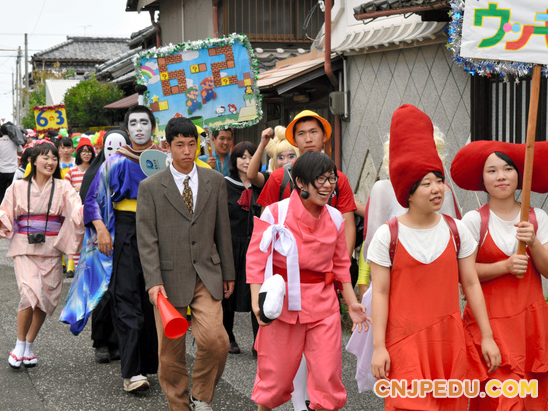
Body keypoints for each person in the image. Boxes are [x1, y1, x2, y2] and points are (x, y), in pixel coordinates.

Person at [368, 104, 500, 410]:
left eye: (438, 180)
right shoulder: (387, 236)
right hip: (404, 344)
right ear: (408, 193)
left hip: (448, 344)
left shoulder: (457, 231)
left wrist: (488, 337)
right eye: (425, 184)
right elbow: (381, 293)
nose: (436, 189)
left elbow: (471, 284)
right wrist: (378, 347)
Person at [246, 151, 370, 411]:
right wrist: (258, 304)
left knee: (328, 381)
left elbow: (340, 266)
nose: (327, 185)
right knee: (274, 382)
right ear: (301, 183)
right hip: (281, 306)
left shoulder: (336, 218)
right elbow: (256, 261)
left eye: (331, 179)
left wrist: (352, 303)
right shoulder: (275, 213)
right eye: (320, 179)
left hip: (323, 306)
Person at [137, 116, 235, 411]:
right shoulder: (151, 187)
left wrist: (228, 272)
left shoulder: (214, 181)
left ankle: (201, 396)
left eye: (191, 144)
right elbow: (147, 239)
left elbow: (223, 230)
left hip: (207, 271)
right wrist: (153, 281)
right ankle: (178, 404)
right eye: (180, 145)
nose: (187, 151)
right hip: (167, 277)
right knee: (170, 352)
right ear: (167, 147)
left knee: (217, 340)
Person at [451, 140, 548, 410]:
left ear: (520, 175)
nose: (501, 176)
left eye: (507, 169)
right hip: (489, 326)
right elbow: (464, 275)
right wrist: (504, 267)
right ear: (482, 179)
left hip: (530, 327)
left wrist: (534, 243)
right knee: (499, 400)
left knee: (531, 402)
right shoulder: (473, 221)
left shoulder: (537, 217)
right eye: (491, 171)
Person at [84, 106, 160, 392]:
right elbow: (91, 201)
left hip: (157, 233)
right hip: (125, 231)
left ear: (153, 126)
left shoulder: (166, 160)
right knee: (126, 299)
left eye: (144, 122)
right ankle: (131, 372)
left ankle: (149, 365)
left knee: (151, 299)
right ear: (127, 130)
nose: (139, 127)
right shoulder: (114, 161)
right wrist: (102, 229)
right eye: (133, 123)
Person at [0, 142, 84, 369]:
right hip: (24, 248)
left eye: (54, 158)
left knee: (44, 300)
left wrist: (90, 211)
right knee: (30, 294)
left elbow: (76, 210)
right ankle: (18, 345)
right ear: (33, 161)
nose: (51, 162)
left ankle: (29, 345)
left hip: (51, 248)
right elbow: (5, 212)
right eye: (45, 157)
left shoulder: (64, 187)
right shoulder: (17, 187)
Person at [357, 127, 462, 300]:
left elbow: (456, 248)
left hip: (435, 286)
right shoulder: (382, 189)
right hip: (392, 288)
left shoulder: (443, 191)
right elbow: (371, 249)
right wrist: (363, 281)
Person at [60, 130, 130, 364]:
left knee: (124, 292)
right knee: (102, 292)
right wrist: (100, 230)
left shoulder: (132, 168)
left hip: (128, 238)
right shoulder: (94, 172)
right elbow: (88, 207)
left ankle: (119, 341)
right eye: (110, 146)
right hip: (100, 241)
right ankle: (101, 342)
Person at [223, 141, 265, 355]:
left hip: (256, 245)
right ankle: (228, 336)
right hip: (231, 245)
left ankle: (259, 342)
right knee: (228, 293)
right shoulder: (224, 184)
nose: (247, 161)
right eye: (242, 157)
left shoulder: (261, 183)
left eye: (251, 156)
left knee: (256, 293)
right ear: (235, 160)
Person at [64, 137, 96, 278]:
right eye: (83, 151)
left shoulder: (97, 170)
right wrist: (75, 188)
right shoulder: (71, 172)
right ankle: (79, 269)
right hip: (75, 212)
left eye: (89, 151)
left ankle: (89, 268)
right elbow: (64, 191)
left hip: (92, 210)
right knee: (77, 240)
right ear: (78, 154)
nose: (86, 154)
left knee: (90, 239)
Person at [0, 123, 23, 203]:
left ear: (1, 132)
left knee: (1, 193)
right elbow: (21, 153)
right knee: (12, 193)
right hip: (13, 170)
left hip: (1, 171)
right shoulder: (15, 141)